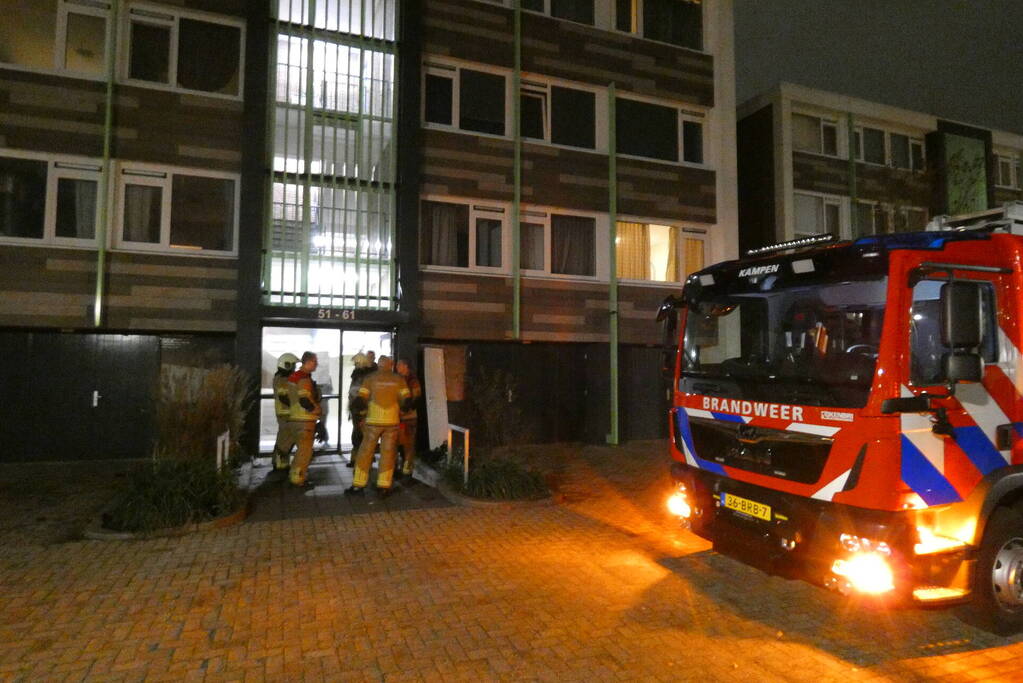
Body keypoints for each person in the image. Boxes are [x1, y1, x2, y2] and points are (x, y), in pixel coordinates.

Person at [345, 355, 410, 497]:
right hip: (392, 422)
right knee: (388, 453)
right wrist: (402, 411)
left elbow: (361, 400)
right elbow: (407, 400)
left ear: (379, 365)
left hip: (373, 421)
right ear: (390, 365)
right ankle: (384, 486)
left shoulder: (370, 379)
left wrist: (360, 416)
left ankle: (358, 485)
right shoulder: (399, 379)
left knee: (365, 452)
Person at [287, 351, 323, 487]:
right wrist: (317, 410)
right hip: (304, 421)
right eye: (315, 361)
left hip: (295, 419)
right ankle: (298, 479)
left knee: (300, 450)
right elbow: (304, 400)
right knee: (305, 452)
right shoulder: (304, 378)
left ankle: (295, 475)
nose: (317, 364)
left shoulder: (293, 377)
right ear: (308, 362)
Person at [271, 353, 299, 470]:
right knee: (285, 440)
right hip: (285, 414)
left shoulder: (283, 378)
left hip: (287, 413)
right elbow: (284, 397)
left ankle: (282, 463)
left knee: (285, 439)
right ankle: (279, 464)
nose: (294, 368)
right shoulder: (282, 379)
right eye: (293, 366)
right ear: (286, 365)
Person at [395, 358, 422, 480]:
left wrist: (405, 409)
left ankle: (407, 471)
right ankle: (400, 469)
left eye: (399, 365)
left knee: (408, 445)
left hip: (408, 418)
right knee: (397, 444)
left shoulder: (412, 380)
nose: (396, 367)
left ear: (405, 366)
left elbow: (416, 398)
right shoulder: (399, 379)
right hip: (398, 417)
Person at [347, 352, 375, 466]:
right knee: (358, 434)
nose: (355, 365)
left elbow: (359, 393)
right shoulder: (359, 375)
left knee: (363, 435)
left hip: (362, 410)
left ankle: (363, 459)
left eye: (356, 363)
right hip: (357, 409)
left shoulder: (364, 376)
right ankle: (356, 459)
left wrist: (361, 409)